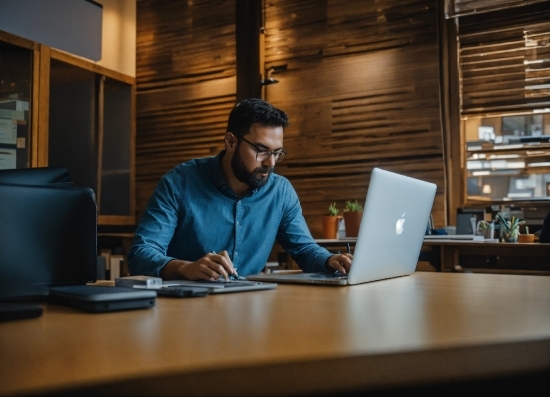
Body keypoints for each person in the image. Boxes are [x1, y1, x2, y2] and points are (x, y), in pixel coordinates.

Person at [128, 98, 352, 281]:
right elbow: (140, 254)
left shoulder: (281, 192)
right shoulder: (180, 182)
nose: (271, 164)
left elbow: (304, 249)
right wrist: (185, 268)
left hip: (250, 307)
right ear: (230, 142)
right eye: (262, 150)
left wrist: (330, 260)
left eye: (277, 153)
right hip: (184, 308)